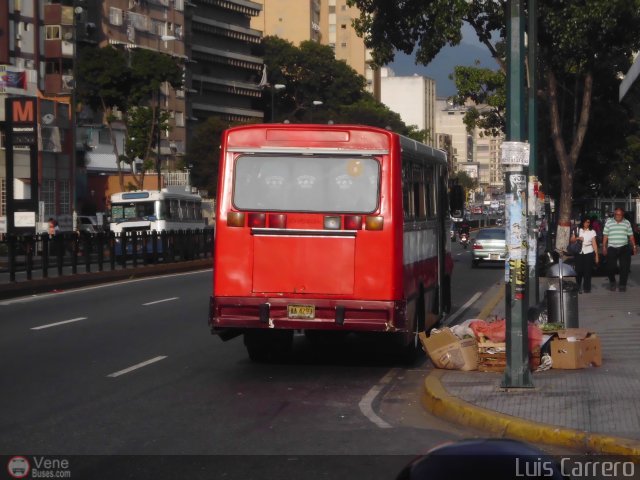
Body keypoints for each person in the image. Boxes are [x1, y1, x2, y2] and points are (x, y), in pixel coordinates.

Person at [602, 207, 637, 292]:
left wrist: (634, 246)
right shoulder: (609, 222)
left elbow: (631, 236)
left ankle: (622, 285)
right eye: (616, 214)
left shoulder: (627, 222)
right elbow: (605, 235)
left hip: (624, 247)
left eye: (619, 214)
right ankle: (612, 281)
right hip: (612, 247)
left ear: (622, 215)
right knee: (611, 267)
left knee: (625, 267)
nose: (617, 216)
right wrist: (604, 247)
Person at [570, 215, 599, 293]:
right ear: (583, 222)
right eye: (586, 222)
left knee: (588, 271)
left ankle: (587, 287)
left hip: (589, 252)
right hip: (579, 251)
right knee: (578, 270)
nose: (587, 224)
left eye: (589, 222)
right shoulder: (577, 230)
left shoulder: (592, 231)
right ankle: (578, 285)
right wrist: (578, 238)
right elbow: (572, 240)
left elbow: (594, 244)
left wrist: (596, 255)